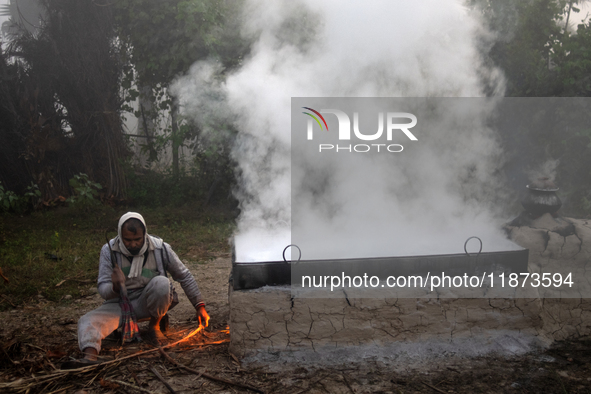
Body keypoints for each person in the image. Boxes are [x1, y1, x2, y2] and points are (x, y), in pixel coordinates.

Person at [74, 212, 209, 364]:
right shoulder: (109, 250)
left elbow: (184, 276)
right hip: (119, 304)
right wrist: (115, 287)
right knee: (87, 321)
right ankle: (89, 357)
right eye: (127, 240)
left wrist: (199, 306)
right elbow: (103, 290)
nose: (133, 244)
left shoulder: (160, 248)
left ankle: (154, 327)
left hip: (148, 302)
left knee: (162, 283)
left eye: (137, 239)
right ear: (120, 234)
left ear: (145, 234)